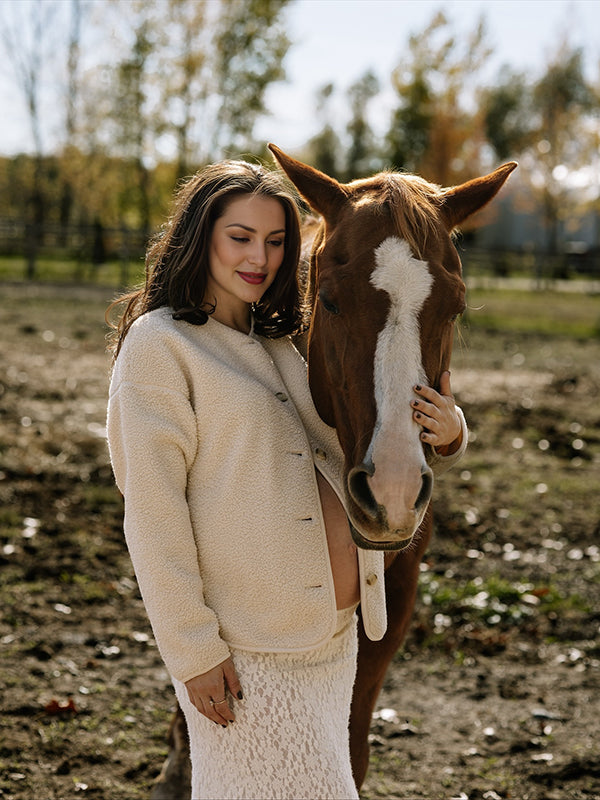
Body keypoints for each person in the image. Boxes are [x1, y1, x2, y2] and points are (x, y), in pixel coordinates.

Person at [106, 159, 467, 800]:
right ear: (201, 237)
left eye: (276, 241)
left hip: (328, 649)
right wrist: (193, 655)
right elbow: (154, 516)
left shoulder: (280, 346)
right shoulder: (161, 347)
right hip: (256, 652)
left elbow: (345, 442)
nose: (261, 258)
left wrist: (449, 432)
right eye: (239, 237)